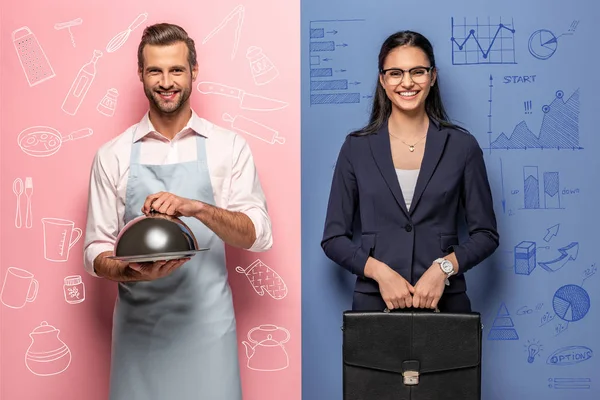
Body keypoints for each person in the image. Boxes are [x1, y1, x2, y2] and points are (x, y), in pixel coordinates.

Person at [82, 23, 273, 400]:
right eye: (155, 70)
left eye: (176, 70)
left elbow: (259, 234)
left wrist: (198, 208)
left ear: (193, 72)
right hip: (140, 335)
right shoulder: (113, 154)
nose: (166, 81)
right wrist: (130, 270)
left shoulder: (228, 147)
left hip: (207, 330)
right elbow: (94, 250)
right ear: (141, 74)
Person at [321, 31, 499, 313]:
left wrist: (443, 269)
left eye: (417, 72)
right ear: (382, 79)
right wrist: (380, 272)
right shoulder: (356, 147)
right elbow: (333, 239)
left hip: (447, 307)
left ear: (433, 76)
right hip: (374, 307)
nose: (407, 82)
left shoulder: (462, 146)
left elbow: (486, 234)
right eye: (395, 73)